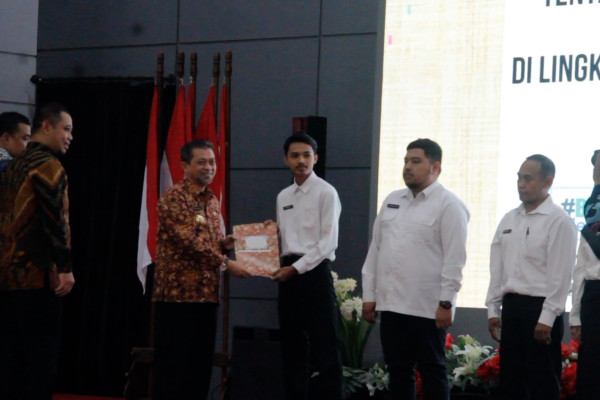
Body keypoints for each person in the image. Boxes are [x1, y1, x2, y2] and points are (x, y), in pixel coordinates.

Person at [361, 138, 469, 400]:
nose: (408, 166)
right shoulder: (392, 200)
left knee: (432, 370)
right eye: (406, 161)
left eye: (416, 161)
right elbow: (376, 249)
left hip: (427, 307)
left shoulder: (449, 205)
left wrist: (447, 302)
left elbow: (455, 260)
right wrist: (369, 295)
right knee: (398, 370)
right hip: (391, 304)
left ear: (435, 167)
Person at [151, 139, 250, 400]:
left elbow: (206, 243)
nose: (209, 167)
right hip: (177, 298)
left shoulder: (211, 200)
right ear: (185, 166)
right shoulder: (174, 198)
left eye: (212, 162)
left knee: (199, 369)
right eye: (202, 162)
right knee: (173, 369)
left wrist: (224, 244)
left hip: (206, 296)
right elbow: (189, 242)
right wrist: (226, 263)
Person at [485, 154, 577, 400]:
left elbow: (561, 275)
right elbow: (497, 267)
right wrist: (493, 309)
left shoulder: (559, 220)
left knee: (542, 383)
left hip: (541, 309)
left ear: (548, 181)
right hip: (512, 306)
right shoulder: (509, 218)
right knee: (510, 381)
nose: (521, 184)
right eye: (519, 178)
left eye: (528, 178)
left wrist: (547, 318)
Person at [0, 102, 76, 400]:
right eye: (66, 129)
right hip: (36, 278)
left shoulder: (13, 165)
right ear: (46, 126)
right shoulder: (47, 165)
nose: (70, 137)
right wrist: (65, 267)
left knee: (11, 360)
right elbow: (55, 220)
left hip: (7, 278)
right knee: (40, 361)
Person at [272, 132, 343, 400]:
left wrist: (295, 269)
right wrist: (267, 235)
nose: (301, 160)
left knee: (326, 348)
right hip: (288, 272)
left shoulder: (326, 192)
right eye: (294, 155)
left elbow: (328, 243)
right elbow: (283, 238)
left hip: (315, 273)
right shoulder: (283, 195)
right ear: (286, 159)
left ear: (316, 158)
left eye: (306, 155)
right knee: (292, 348)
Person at [569, 149, 600, 400]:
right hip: (593, 296)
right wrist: (575, 316)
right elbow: (579, 272)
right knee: (590, 363)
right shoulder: (589, 229)